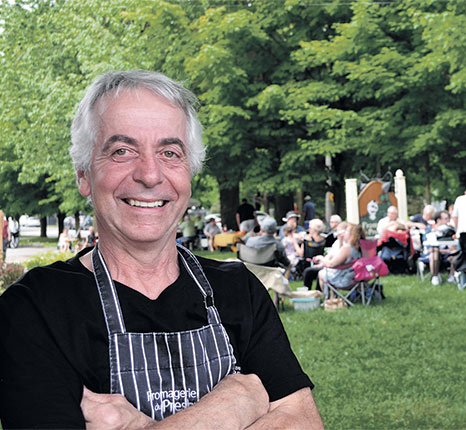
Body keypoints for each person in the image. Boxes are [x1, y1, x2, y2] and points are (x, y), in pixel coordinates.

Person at [0, 70, 322, 429]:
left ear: (189, 172)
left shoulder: (238, 289)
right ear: (83, 174)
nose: (150, 175)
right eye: (122, 150)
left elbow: (303, 422)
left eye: (170, 152)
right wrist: (234, 403)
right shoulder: (33, 308)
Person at [316, 223, 365, 298]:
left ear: (352, 235)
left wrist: (321, 258)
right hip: (356, 277)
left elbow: (331, 264)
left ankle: (328, 298)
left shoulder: (347, 249)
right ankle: (332, 297)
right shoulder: (359, 246)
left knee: (321, 273)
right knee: (331, 272)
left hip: (344, 280)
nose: (344, 233)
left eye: (346, 232)